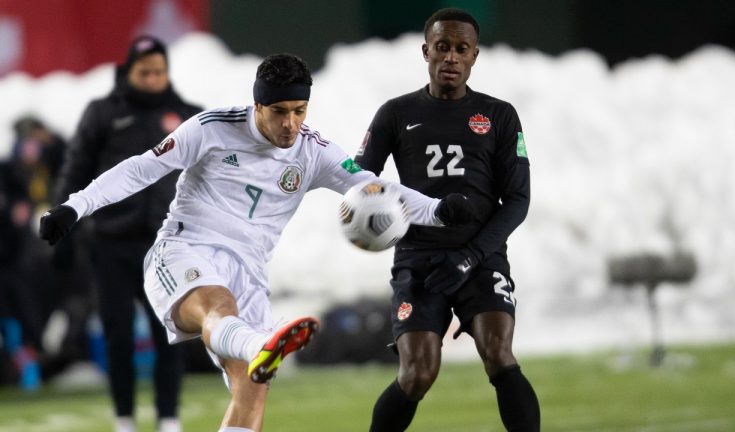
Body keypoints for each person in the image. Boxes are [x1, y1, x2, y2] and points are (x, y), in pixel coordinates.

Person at [40, 53, 474, 432]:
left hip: (249, 272)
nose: (290, 123)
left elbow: (373, 188)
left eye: (300, 111)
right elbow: (140, 168)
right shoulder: (211, 128)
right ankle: (255, 344)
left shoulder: (312, 151)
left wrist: (438, 210)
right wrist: (74, 207)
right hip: (185, 250)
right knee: (219, 306)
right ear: (258, 105)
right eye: (280, 111)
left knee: (252, 387)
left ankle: (255, 350)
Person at [354, 8, 541, 432]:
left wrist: (471, 256)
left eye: (461, 48)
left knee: (499, 354)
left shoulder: (499, 115)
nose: (451, 57)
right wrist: (375, 216)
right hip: (418, 259)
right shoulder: (395, 113)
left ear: (475, 55)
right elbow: (361, 182)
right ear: (426, 52)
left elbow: (517, 200)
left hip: (481, 257)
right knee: (417, 374)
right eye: (442, 47)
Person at [54, 35, 203, 432]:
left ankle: (169, 417)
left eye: (159, 72)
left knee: (170, 331)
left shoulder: (188, 117)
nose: (153, 79)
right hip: (111, 243)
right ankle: (124, 418)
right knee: (117, 335)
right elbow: (76, 170)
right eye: (145, 72)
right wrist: (63, 223)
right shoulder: (103, 114)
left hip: (168, 245)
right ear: (128, 72)